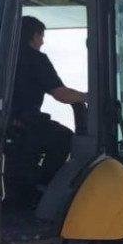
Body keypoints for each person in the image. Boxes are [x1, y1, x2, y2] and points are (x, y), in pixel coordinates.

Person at [11, 16, 87, 204]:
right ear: (33, 35)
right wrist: (87, 97)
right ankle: (41, 185)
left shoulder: (1, 57)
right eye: (41, 36)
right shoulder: (36, 59)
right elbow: (62, 95)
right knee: (64, 137)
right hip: (25, 120)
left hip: (3, 120)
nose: (43, 41)